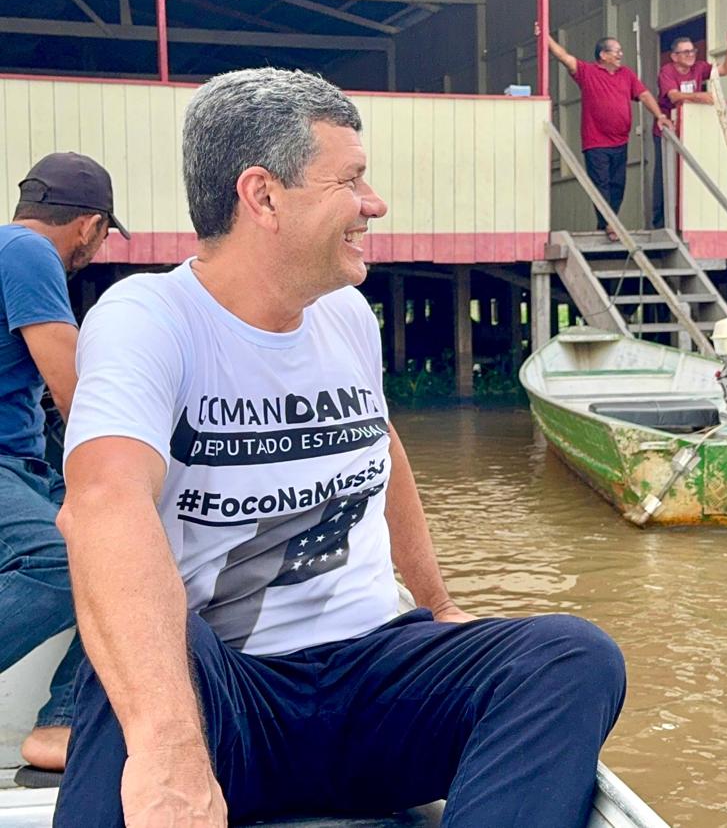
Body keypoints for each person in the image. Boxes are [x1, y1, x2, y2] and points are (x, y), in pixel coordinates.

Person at [54, 68, 626, 827]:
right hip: (230, 703)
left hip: (367, 682)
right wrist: (169, 749)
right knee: (135, 657)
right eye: (351, 179)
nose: (374, 203)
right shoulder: (148, 318)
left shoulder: (347, 314)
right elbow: (102, 503)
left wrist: (440, 603)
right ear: (262, 196)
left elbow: (382, 456)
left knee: (571, 655)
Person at [0, 151, 125, 773]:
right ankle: (61, 720)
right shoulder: (27, 253)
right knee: (67, 559)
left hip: (17, 463)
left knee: (139, 551)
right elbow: (77, 390)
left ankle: (63, 723)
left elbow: (43, 400)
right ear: (91, 226)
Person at [542, 28, 673, 236]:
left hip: (620, 141)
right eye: (616, 51)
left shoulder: (627, 74)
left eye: (620, 51)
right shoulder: (587, 72)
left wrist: (660, 116)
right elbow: (563, 57)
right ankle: (610, 223)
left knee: (617, 186)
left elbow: (645, 95)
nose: (620, 54)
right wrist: (545, 38)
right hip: (596, 142)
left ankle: (605, 223)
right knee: (601, 184)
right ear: (603, 55)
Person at [652, 28, 727, 229]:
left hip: (692, 131)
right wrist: (700, 97)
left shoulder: (699, 67)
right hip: (668, 132)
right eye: (685, 52)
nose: (691, 55)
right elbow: (673, 96)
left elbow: (726, 70)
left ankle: (687, 222)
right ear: (674, 56)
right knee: (664, 177)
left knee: (690, 175)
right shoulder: (667, 71)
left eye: (693, 51)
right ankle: (660, 224)